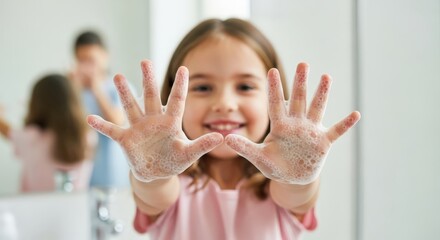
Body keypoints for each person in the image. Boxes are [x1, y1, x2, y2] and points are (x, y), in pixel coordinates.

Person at [87, 18, 361, 239]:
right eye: (203, 87)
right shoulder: (171, 184)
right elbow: (154, 193)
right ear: (173, 98)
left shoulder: (281, 183)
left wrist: (300, 174)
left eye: (245, 86)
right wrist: (153, 173)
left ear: (275, 99)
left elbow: (297, 192)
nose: (225, 103)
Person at [0, 74, 95, 193]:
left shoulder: (31, 137)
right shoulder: (87, 137)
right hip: (76, 207)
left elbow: (7, 131)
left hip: (33, 208)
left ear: (36, 104)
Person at [71, 31, 130, 188]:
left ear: (105, 56)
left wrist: (96, 88)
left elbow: (118, 121)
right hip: (82, 177)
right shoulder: (74, 90)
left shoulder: (119, 87)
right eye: (81, 60)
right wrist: (69, 90)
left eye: (91, 60)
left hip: (113, 176)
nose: (86, 67)